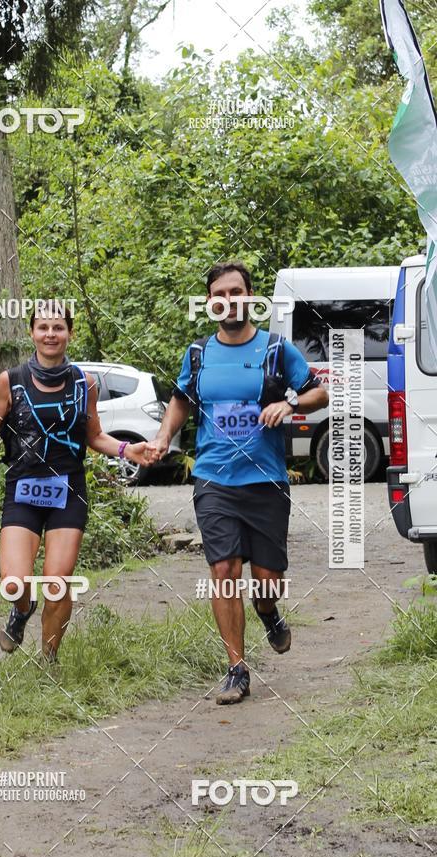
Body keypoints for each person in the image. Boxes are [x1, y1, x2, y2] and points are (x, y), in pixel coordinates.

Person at [151, 261, 329, 704]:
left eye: (236, 292)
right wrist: (163, 437)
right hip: (214, 480)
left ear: (250, 297)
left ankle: (267, 612)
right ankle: (237, 669)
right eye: (220, 295)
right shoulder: (198, 354)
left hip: (265, 481)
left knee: (268, 583)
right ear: (210, 302)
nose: (229, 301)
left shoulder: (276, 349)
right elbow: (180, 399)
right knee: (224, 571)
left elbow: (319, 392)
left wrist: (290, 403)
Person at [0, 303, 156, 662]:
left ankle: (49, 659)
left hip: (67, 491)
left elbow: (94, 436)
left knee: (57, 582)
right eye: (43, 327)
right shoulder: (11, 381)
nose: (50, 334)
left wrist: (127, 449)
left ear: (70, 333)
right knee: (14, 583)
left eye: (58, 327)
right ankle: (22, 609)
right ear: (32, 333)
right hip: (23, 489)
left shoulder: (85, 383)